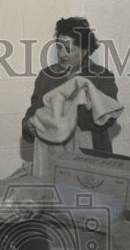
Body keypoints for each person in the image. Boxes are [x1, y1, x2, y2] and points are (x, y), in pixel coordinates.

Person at [21, 17, 118, 164]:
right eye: (59, 47)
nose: (61, 55)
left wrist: (72, 105)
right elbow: (32, 113)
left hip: (90, 158)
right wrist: (29, 126)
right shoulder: (46, 76)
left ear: (84, 51)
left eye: (68, 49)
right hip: (52, 158)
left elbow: (108, 118)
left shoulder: (102, 77)